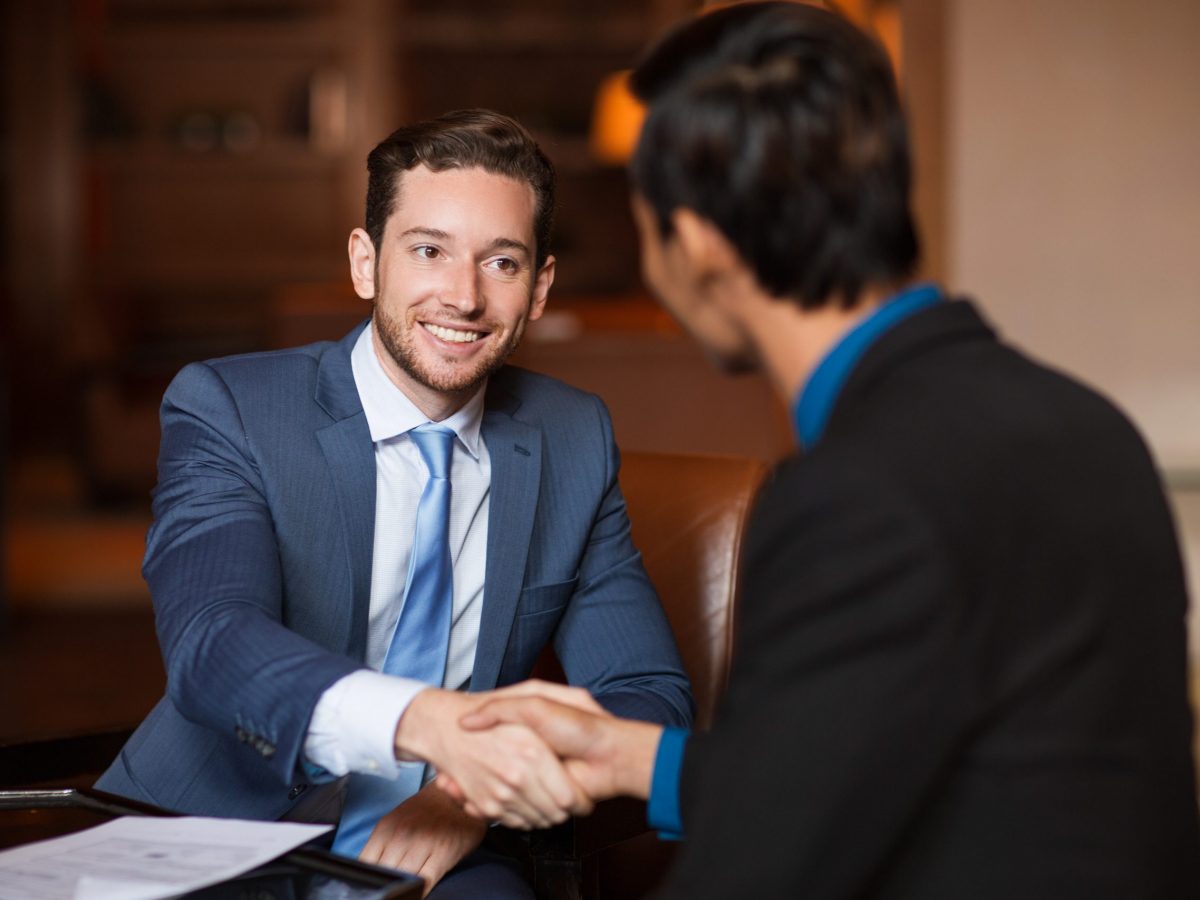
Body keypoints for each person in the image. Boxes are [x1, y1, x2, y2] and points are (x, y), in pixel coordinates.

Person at [448, 5, 1200, 898]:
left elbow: (764, 870)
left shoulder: (859, 492)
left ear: (698, 245)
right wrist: (636, 757)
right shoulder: (1087, 426)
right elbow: (914, 772)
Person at [95, 108, 692, 899]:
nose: (464, 296)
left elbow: (648, 694)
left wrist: (465, 795)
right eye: (428, 251)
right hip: (216, 836)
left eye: (503, 263)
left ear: (540, 288)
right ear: (366, 263)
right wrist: (429, 723)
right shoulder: (232, 408)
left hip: (444, 849)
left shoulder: (575, 437)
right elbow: (213, 645)